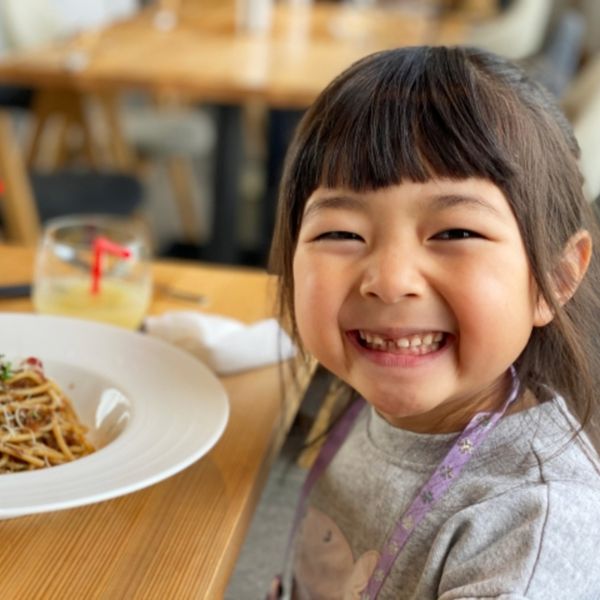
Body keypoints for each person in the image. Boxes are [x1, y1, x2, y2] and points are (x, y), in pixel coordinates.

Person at [268, 45, 600, 599]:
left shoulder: (532, 530)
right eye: (341, 234)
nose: (391, 280)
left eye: (454, 233)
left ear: (556, 279)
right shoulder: (376, 378)